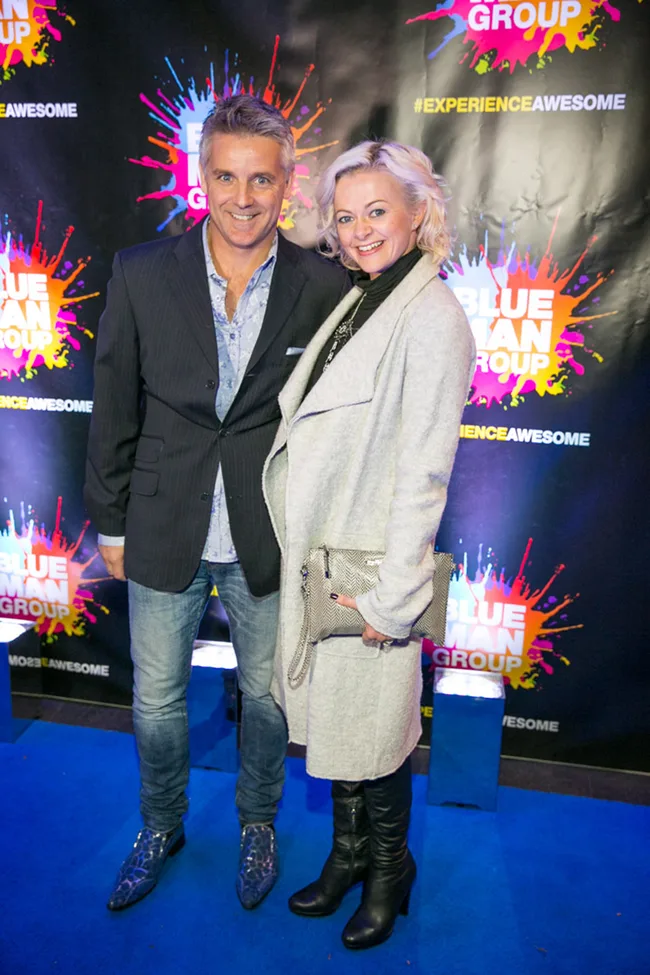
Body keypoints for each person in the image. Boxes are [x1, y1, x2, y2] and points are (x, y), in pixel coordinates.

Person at [84, 94, 349, 912]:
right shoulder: (140, 271)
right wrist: (111, 521)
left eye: (261, 179)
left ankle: (257, 823)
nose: (243, 197)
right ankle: (160, 824)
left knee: (267, 700)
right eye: (227, 177)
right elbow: (113, 405)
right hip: (163, 521)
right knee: (157, 701)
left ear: (287, 184)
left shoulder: (323, 284)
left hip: (269, 532)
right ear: (201, 176)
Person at [263, 141, 475, 949]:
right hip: (331, 553)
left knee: (377, 733)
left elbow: (425, 470)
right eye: (345, 217)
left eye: (377, 211)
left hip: (374, 566)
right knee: (342, 720)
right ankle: (348, 853)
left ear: (420, 211)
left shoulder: (433, 314)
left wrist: (395, 598)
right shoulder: (365, 297)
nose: (359, 231)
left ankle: (390, 867)